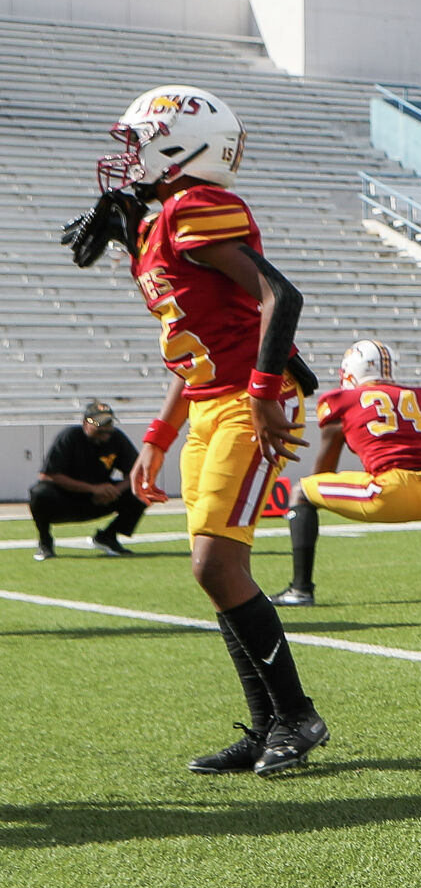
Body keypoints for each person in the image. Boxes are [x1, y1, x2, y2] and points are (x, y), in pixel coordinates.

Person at [60, 86, 327, 775]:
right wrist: (157, 433)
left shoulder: (198, 206)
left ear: (178, 144)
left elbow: (282, 296)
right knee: (215, 573)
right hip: (211, 399)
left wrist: (266, 394)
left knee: (216, 564)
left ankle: (297, 718)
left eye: (137, 141)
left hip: (249, 399)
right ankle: (268, 725)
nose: (128, 157)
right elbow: (193, 343)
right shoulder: (161, 222)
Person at [269, 340, 421, 605]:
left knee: (302, 491)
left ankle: (301, 589)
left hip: (389, 492)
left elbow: (323, 472)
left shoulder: (340, 401)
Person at [29, 400, 145, 559]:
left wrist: (115, 491)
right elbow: (47, 475)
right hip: (67, 497)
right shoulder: (70, 437)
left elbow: (137, 473)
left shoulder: (116, 438)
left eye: (108, 424)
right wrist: (92, 489)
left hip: (101, 498)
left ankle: (107, 537)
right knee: (39, 493)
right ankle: (45, 541)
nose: (105, 430)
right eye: (99, 425)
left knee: (142, 490)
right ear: (85, 423)